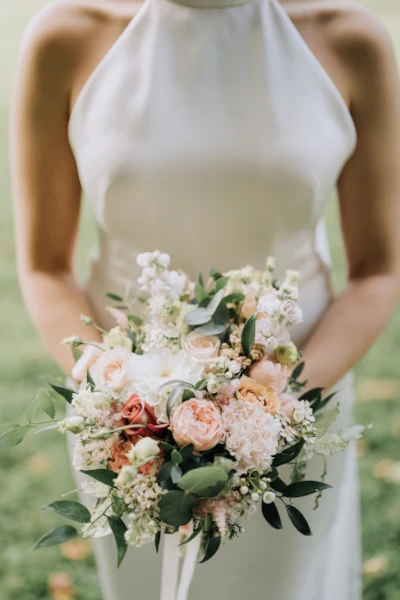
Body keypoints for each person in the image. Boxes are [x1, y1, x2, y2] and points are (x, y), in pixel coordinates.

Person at [10, 0, 400, 598]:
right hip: (128, 429)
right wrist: (114, 397)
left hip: (300, 395)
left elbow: (378, 271)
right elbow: (43, 265)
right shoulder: (67, 36)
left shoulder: (348, 40)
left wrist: (273, 410)